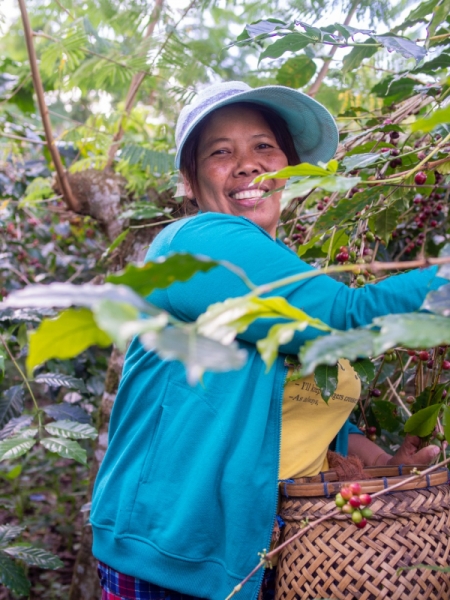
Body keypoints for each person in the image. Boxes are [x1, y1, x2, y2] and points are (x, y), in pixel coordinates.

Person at [91, 81, 444, 600]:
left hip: (259, 558)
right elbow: (344, 318)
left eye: (264, 147)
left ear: (291, 170)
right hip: (170, 559)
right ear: (189, 182)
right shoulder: (193, 245)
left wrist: (378, 464)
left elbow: (296, 407)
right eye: (220, 152)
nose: (247, 163)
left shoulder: (285, 273)